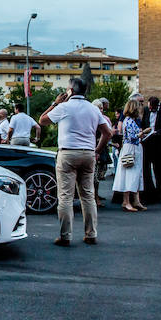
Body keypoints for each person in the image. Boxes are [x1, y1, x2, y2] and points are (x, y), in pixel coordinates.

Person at [40, 78, 112, 246]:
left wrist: (55, 103)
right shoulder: (94, 109)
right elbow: (107, 133)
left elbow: (42, 120)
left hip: (67, 153)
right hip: (88, 154)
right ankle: (91, 233)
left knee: (65, 196)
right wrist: (97, 150)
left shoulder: (63, 107)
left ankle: (65, 235)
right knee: (88, 195)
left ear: (70, 90)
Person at [112, 98, 147, 212]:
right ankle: (126, 201)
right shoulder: (129, 121)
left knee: (136, 174)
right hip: (130, 148)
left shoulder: (133, 120)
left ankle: (136, 200)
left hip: (135, 147)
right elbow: (131, 136)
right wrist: (143, 133)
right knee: (129, 173)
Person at [91, 98, 115, 208]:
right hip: (93, 149)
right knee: (94, 177)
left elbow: (108, 134)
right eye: (98, 108)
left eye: (101, 108)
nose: (100, 110)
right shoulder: (91, 120)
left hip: (102, 149)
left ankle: (96, 196)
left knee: (99, 175)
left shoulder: (104, 119)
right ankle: (94, 198)